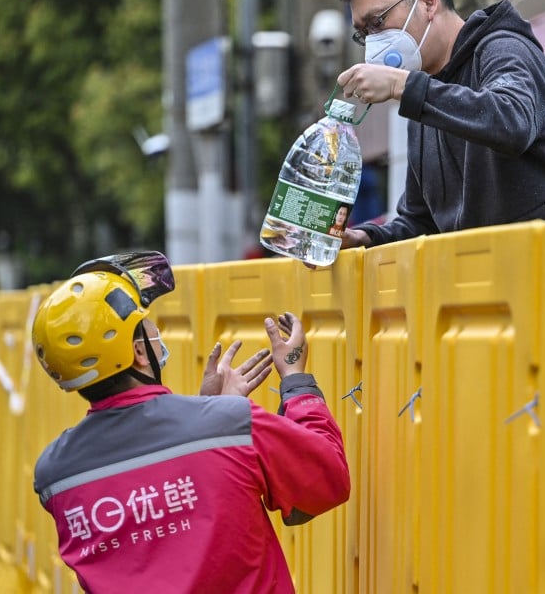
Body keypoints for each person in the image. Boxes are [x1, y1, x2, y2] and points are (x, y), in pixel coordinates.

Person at [30, 251, 349, 594]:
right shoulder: (229, 425)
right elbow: (326, 480)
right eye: (149, 325)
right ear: (139, 351)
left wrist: (207, 411)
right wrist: (295, 382)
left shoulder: (56, 476)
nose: (157, 332)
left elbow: (159, 548)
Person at [335, 0, 545, 249]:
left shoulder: (502, 48)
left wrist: (403, 86)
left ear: (428, 1)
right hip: (504, 280)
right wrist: (364, 237)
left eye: (378, 22)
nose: (373, 42)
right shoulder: (424, 101)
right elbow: (422, 222)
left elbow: (512, 121)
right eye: (364, 33)